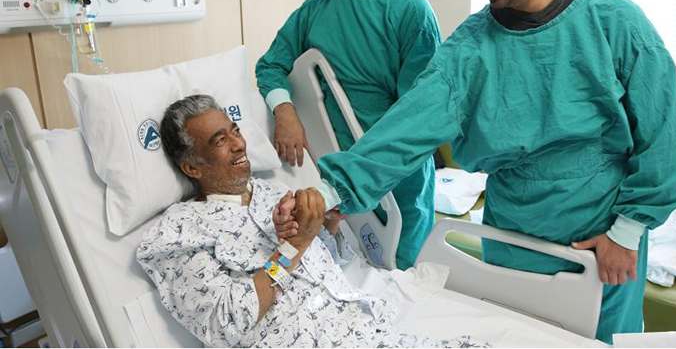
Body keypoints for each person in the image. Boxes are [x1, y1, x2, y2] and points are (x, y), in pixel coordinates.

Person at [283, 0, 676, 344]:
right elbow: (406, 127)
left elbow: (665, 138)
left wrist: (628, 232)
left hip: (601, 238)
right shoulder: (471, 47)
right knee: (512, 335)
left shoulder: (615, 23)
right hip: (511, 233)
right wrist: (329, 192)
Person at [137, 94, 486, 348]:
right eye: (220, 141)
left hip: (361, 329)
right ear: (192, 167)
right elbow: (224, 323)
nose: (239, 144)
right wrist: (293, 247)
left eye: (235, 131)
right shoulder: (180, 232)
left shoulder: (275, 193)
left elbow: (331, 264)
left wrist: (328, 225)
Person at [255, 0, 441, 270]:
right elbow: (270, 65)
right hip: (332, 175)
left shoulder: (412, 12)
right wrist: (284, 111)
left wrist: (359, 179)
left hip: (396, 180)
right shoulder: (316, 9)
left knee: (404, 281)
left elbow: (417, 119)